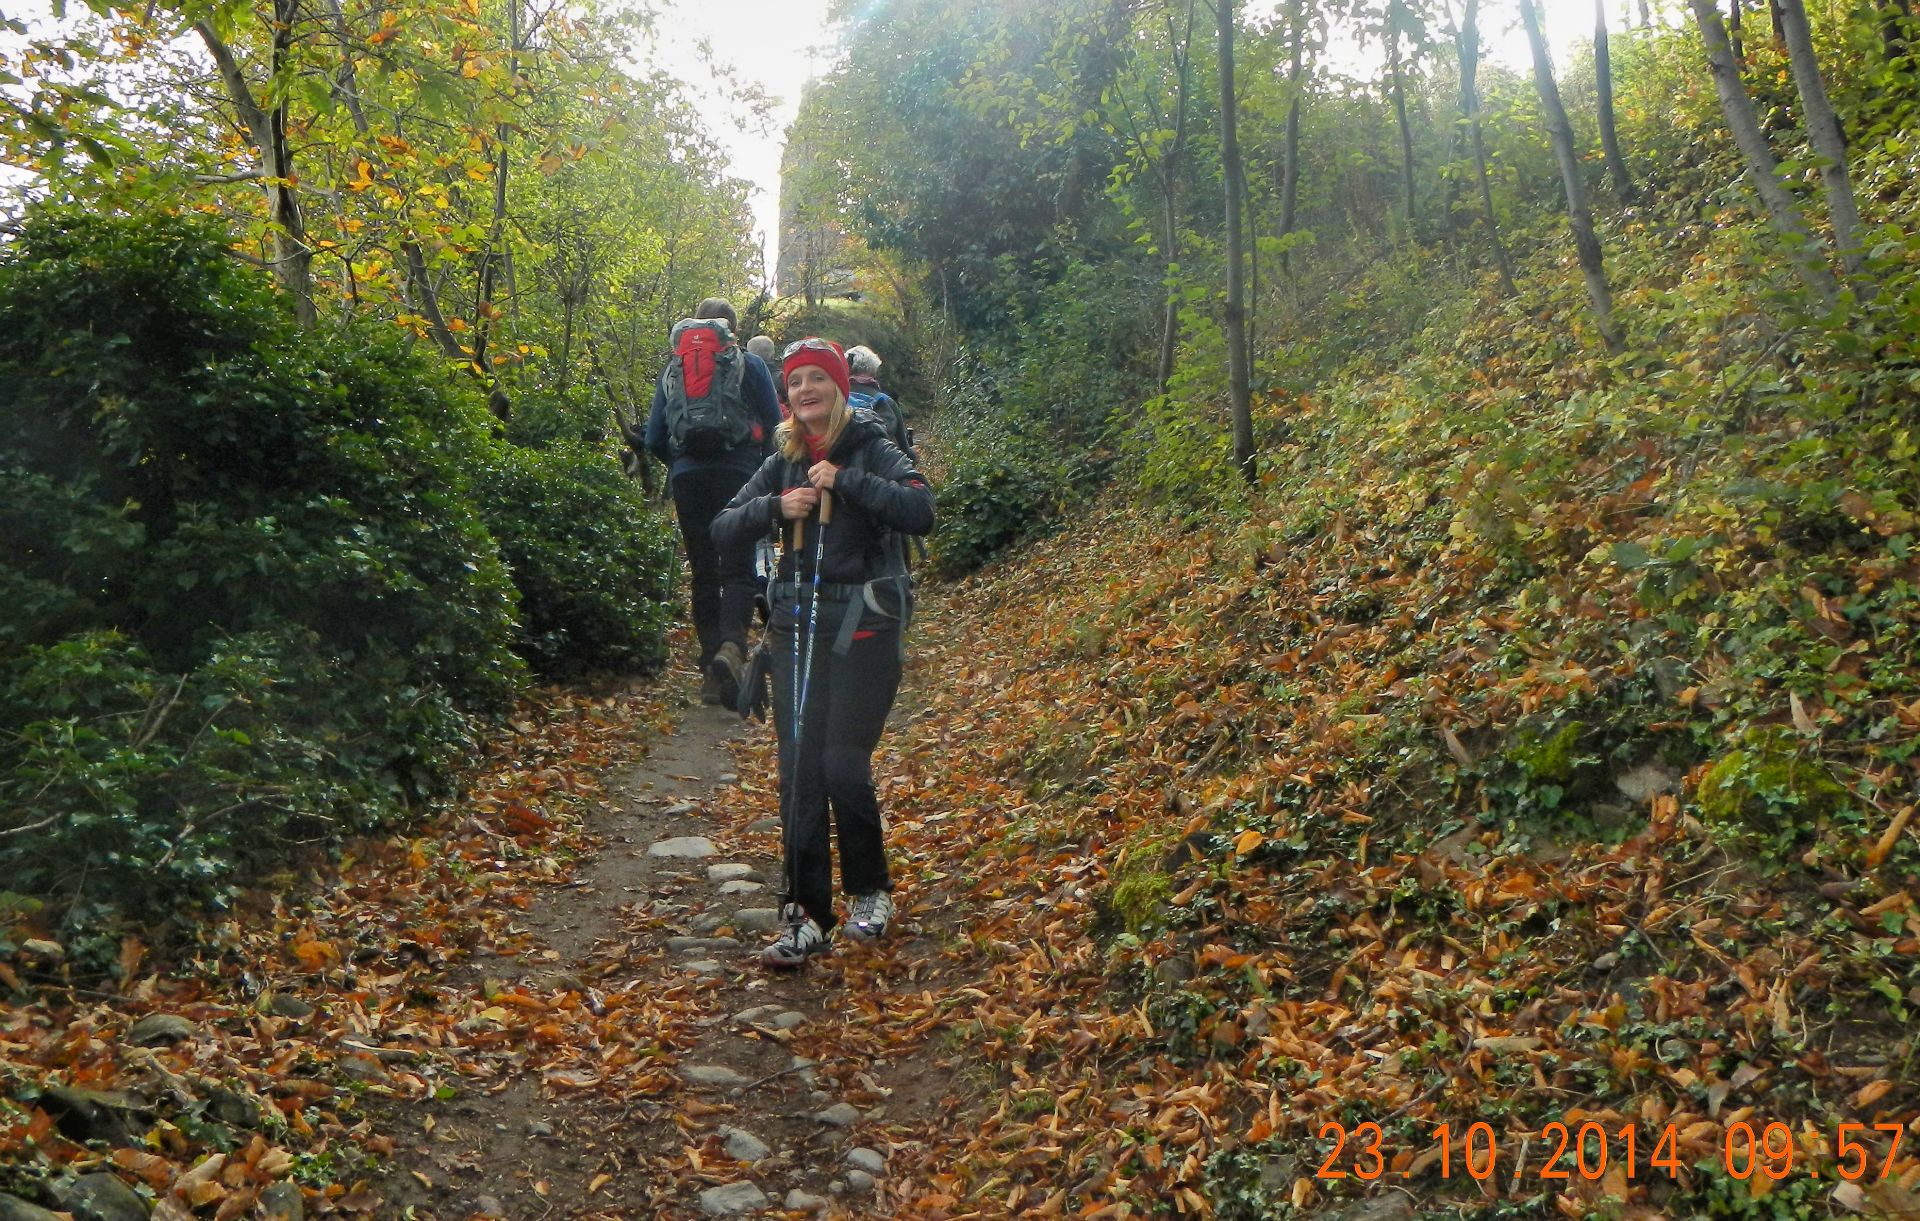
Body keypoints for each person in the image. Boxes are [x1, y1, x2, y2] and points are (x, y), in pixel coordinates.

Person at [712, 339, 933, 966]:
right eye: (795, 381)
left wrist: (846, 482)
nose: (805, 390)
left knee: (841, 763)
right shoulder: (780, 460)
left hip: (864, 631)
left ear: (839, 386)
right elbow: (722, 527)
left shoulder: (870, 445)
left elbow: (920, 509)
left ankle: (870, 891)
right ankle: (805, 914)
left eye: (817, 378)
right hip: (795, 630)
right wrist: (775, 507)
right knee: (799, 773)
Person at [644, 298, 783, 705]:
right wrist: (762, 470)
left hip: (688, 477)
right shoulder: (750, 364)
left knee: (703, 570)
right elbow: (776, 426)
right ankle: (732, 648)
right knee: (737, 568)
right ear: (733, 330)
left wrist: (680, 463)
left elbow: (653, 437)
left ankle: (710, 670)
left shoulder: (673, 368)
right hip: (739, 475)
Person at [843, 345, 911, 457]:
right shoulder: (886, 401)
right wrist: (914, 454)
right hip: (876, 464)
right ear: (872, 369)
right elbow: (904, 450)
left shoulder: (836, 399)